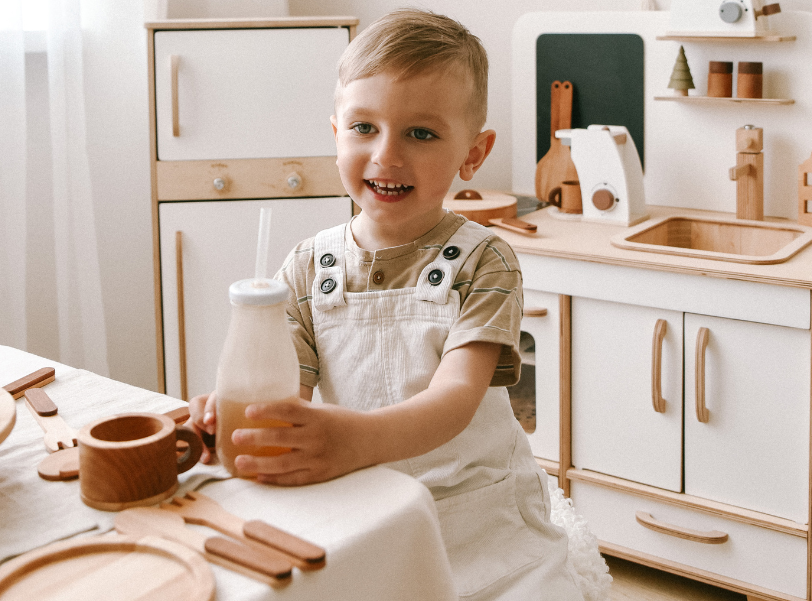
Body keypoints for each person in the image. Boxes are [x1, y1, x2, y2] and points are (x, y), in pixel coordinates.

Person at [189, 8, 584, 600]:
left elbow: (454, 398)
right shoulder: (305, 267)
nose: (386, 155)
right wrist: (237, 420)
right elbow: (283, 394)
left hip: (480, 520)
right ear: (336, 134)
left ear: (472, 155)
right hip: (362, 507)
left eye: (421, 133)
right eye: (364, 128)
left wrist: (354, 439)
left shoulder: (485, 261)